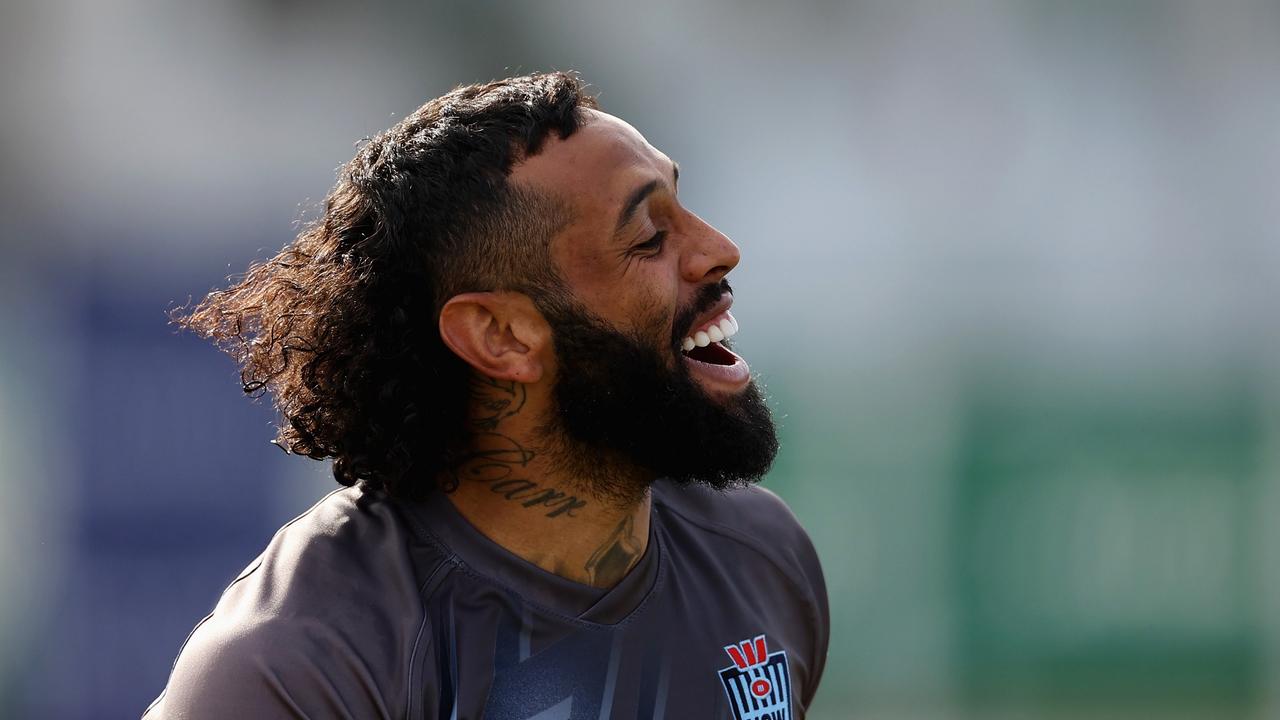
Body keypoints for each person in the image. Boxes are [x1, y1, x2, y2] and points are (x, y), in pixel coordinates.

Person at [145, 71, 828, 720]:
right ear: (500, 335)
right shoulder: (302, 665)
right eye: (649, 237)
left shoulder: (759, 558)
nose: (719, 249)